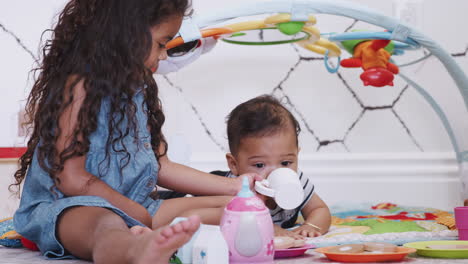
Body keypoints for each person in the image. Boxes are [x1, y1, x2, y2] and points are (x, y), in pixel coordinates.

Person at [10, 1, 259, 263]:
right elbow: (71, 179)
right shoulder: (78, 86)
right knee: (105, 224)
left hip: (135, 205)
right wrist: (134, 212)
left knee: (235, 209)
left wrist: (235, 186)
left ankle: (282, 237)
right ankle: (136, 251)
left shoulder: (138, 91)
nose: (163, 56)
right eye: (161, 44)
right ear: (126, 33)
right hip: (69, 207)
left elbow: (161, 166)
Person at [217, 94, 331, 238]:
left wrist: (310, 226)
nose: (275, 172)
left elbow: (319, 209)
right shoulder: (233, 189)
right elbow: (221, 222)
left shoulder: (296, 180)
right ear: (234, 164)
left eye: (285, 163)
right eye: (259, 165)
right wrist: (267, 228)